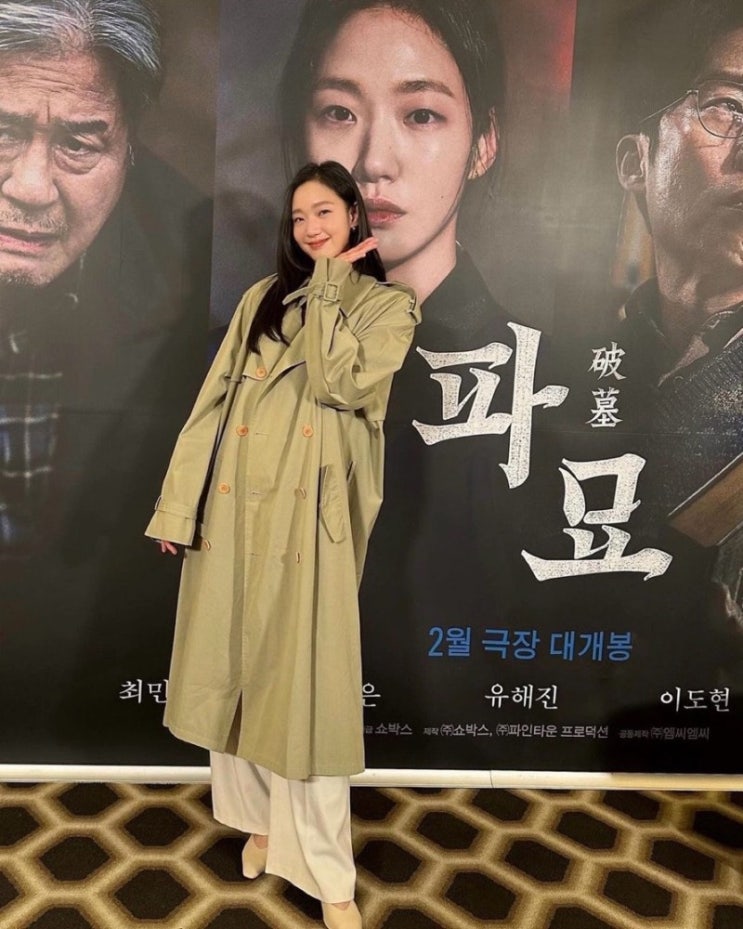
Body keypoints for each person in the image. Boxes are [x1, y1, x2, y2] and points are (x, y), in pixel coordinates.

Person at [146, 161, 419, 929]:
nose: (309, 227)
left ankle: (330, 878)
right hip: (234, 510)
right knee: (233, 674)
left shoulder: (388, 307)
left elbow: (340, 384)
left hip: (308, 522)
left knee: (303, 697)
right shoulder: (260, 299)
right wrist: (179, 507)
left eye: (323, 211)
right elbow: (211, 405)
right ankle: (259, 819)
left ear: (354, 214)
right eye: (298, 216)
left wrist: (329, 287)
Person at [0, 0, 212, 760]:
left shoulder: (199, 284)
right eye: (3, 132)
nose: (31, 187)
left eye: (79, 145)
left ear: (129, 148)